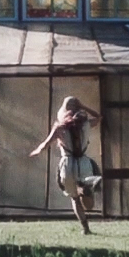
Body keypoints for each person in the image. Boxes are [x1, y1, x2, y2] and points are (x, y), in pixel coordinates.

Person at [29, 96, 103, 234]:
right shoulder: (86, 124)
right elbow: (99, 117)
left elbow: (44, 145)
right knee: (88, 201)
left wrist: (36, 151)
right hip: (84, 163)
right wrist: (83, 106)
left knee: (74, 198)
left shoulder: (59, 128)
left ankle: (85, 228)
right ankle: (86, 189)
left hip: (67, 164)